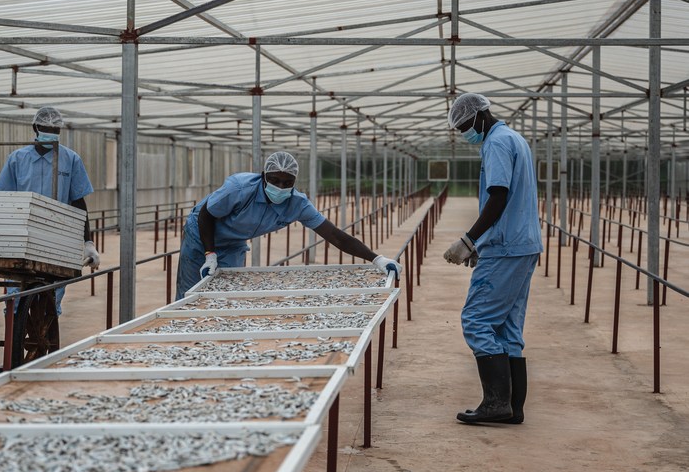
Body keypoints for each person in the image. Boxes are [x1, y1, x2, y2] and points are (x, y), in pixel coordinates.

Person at [175, 151, 402, 299]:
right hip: (201, 234)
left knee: (227, 291)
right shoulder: (239, 188)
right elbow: (206, 214)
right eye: (274, 180)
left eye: (287, 182)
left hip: (234, 241)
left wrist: (376, 258)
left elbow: (335, 236)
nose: (280, 186)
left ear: (295, 182)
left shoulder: (297, 204)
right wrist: (209, 253)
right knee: (192, 291)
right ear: (264, 176)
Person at [443, 93, 542, 425]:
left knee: (477, 320)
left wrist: (469, 239)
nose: (464, 134)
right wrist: (480, 244)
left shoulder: (497, 143)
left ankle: (496, 403)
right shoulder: (515, 139)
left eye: (465, 126)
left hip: (507, 246)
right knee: (508, 327)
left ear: (480, 116)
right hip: (522, 244)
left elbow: (498, 197)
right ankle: (513, 407)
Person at [0, 106, 99, 316]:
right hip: (22, 237)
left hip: (57, 238)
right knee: (16, 299)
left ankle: (45, 341)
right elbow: (3, 199)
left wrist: (87, 242)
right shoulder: (17, 159)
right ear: (35, 127)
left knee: (50, 300)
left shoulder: (70, 159)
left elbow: (78, 202)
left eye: (56, 129)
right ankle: (15, 339)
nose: (51, 131)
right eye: (46, 127)